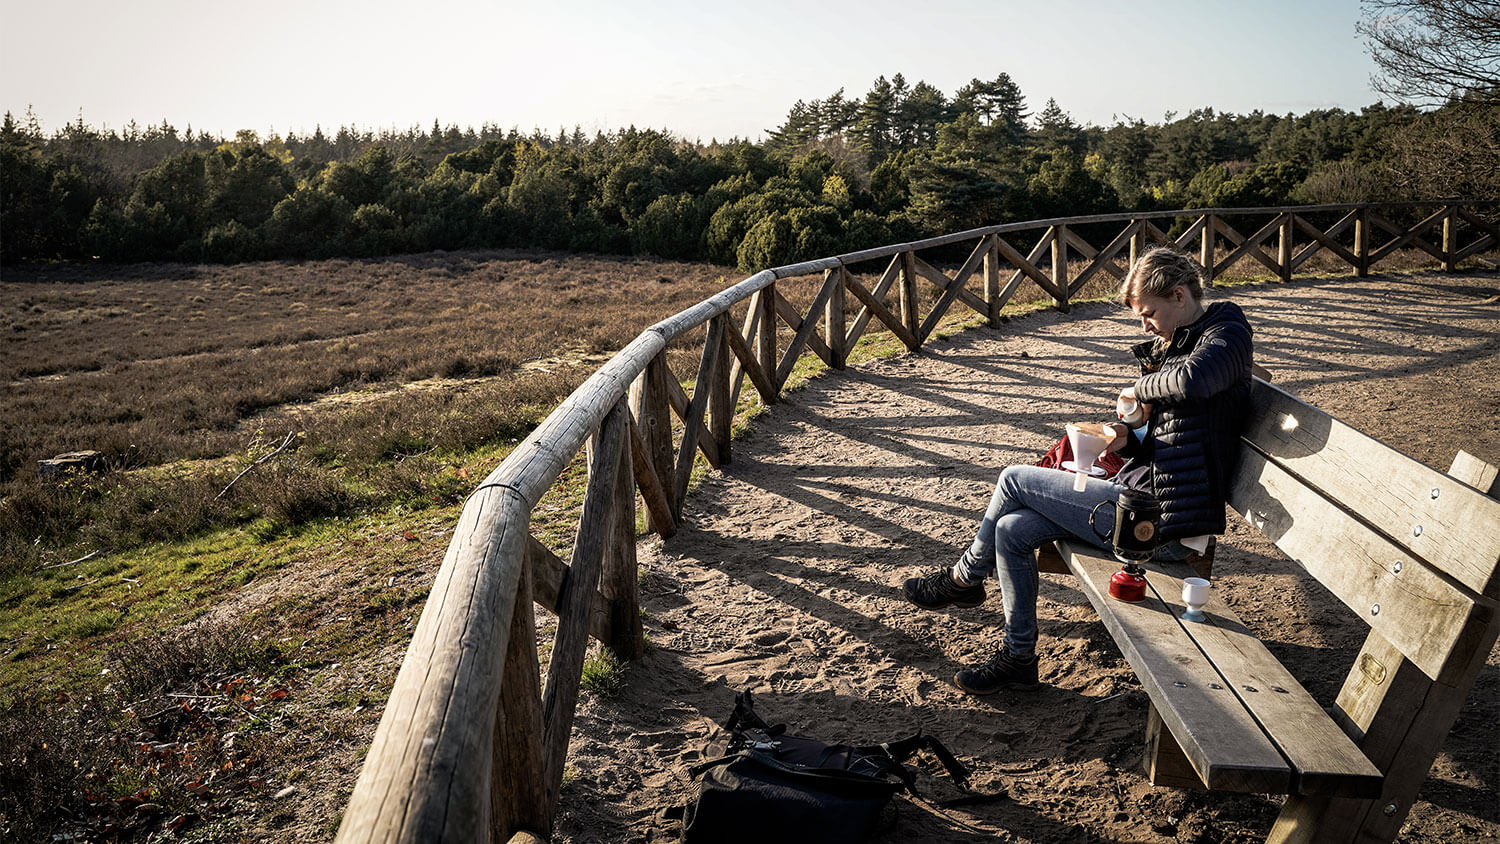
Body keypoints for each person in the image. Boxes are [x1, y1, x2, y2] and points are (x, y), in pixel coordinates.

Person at [901, 246, 1253, 695]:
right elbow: (1181, 434)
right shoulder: (1179, 342)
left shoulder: (1226, 328)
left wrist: (1138, 388)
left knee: (1012, 478)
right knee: (1011, 528)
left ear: (1180, 296)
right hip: (1141, 501)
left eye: (1148, 313)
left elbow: (1192, 383)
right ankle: (1019, 657)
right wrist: (1133, 437)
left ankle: (963, 580)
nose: (1144, 324)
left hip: (1162, 527)